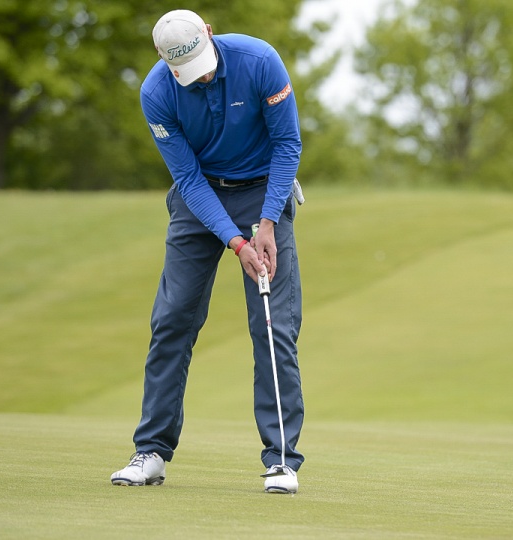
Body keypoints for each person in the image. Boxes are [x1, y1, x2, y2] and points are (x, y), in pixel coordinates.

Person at [110, 9, 305, 494]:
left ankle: (282, 461)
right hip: (200, 202)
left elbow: (287, 144)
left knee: (273, 324)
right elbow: (189, 180)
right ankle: (151, 451)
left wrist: (265, 222)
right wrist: (235, 242)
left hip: (265, 190)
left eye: (204, 61)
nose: (205, 76)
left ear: (210, 35)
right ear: (163, 59)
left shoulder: (259, 61)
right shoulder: (156, 93)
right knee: (172, 319)